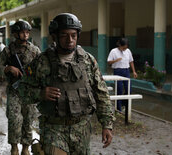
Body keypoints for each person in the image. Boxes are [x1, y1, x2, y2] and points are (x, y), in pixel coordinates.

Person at [18, 13, 114, 155]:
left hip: (82, 128)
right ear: (55, 36)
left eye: (73, 35)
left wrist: (107, 124)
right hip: (53, 128)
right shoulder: (41, 62)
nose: (70, 40)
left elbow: (101, 93)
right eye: (64, 35)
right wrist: (40, 93)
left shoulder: (88, 60)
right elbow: (22, 90)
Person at [0, 20, 41, 155]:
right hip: (14, 91)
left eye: (27, 32)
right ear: (15, 34)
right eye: (22, 32)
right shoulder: (8, 50)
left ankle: (26, 148)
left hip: (30, 91)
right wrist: (8, 68)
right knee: (15, 120)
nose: (25, 35)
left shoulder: (35, 50)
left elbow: (42, 68)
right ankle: (14, 147)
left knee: (28, 120)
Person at [107, 38, 137, 112]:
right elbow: (109, 62)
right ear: (119, 45)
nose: (124, 49)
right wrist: (115, 60)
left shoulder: (128, 51)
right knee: (119, 90)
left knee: (129, 90)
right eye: (123, 48)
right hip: (117, 71)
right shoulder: (113, 51)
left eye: (126, 48)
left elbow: (131, 61)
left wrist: (134, 71)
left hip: (126, 71)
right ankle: (118, 109)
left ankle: (124, 104)